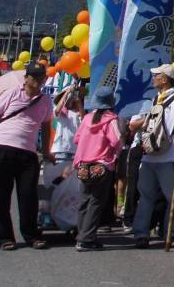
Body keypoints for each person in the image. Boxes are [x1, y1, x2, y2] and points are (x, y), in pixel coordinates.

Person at [0, 61, 54, 250]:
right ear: (26, 78)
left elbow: (47, 125)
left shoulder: (46, 100)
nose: (38, 81)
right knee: (1, 196)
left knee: (29, 197)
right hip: (4, 148)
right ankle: (5, 237)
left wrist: (46, 151)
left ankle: (31, 235)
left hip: (28, 152)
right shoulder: (12, 93)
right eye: (35, 77)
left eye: (42, 77)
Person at [127, 63, 174, 247]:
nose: (154, 78)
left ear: (164, 79)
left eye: (156, 76)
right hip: (150, 155)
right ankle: (141, 233)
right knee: (146, 195)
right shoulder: (155, 98)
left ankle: (172, 232)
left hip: (170, 156)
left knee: (173, 197)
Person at [72, 91, 125, 252]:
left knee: (84, 201)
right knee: (96, 202)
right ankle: (86, 239)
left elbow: (76, 139)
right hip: (102, 164)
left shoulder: (87, 118)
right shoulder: (111, 119)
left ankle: (82, 235)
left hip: (83, 164)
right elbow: (116, 140)